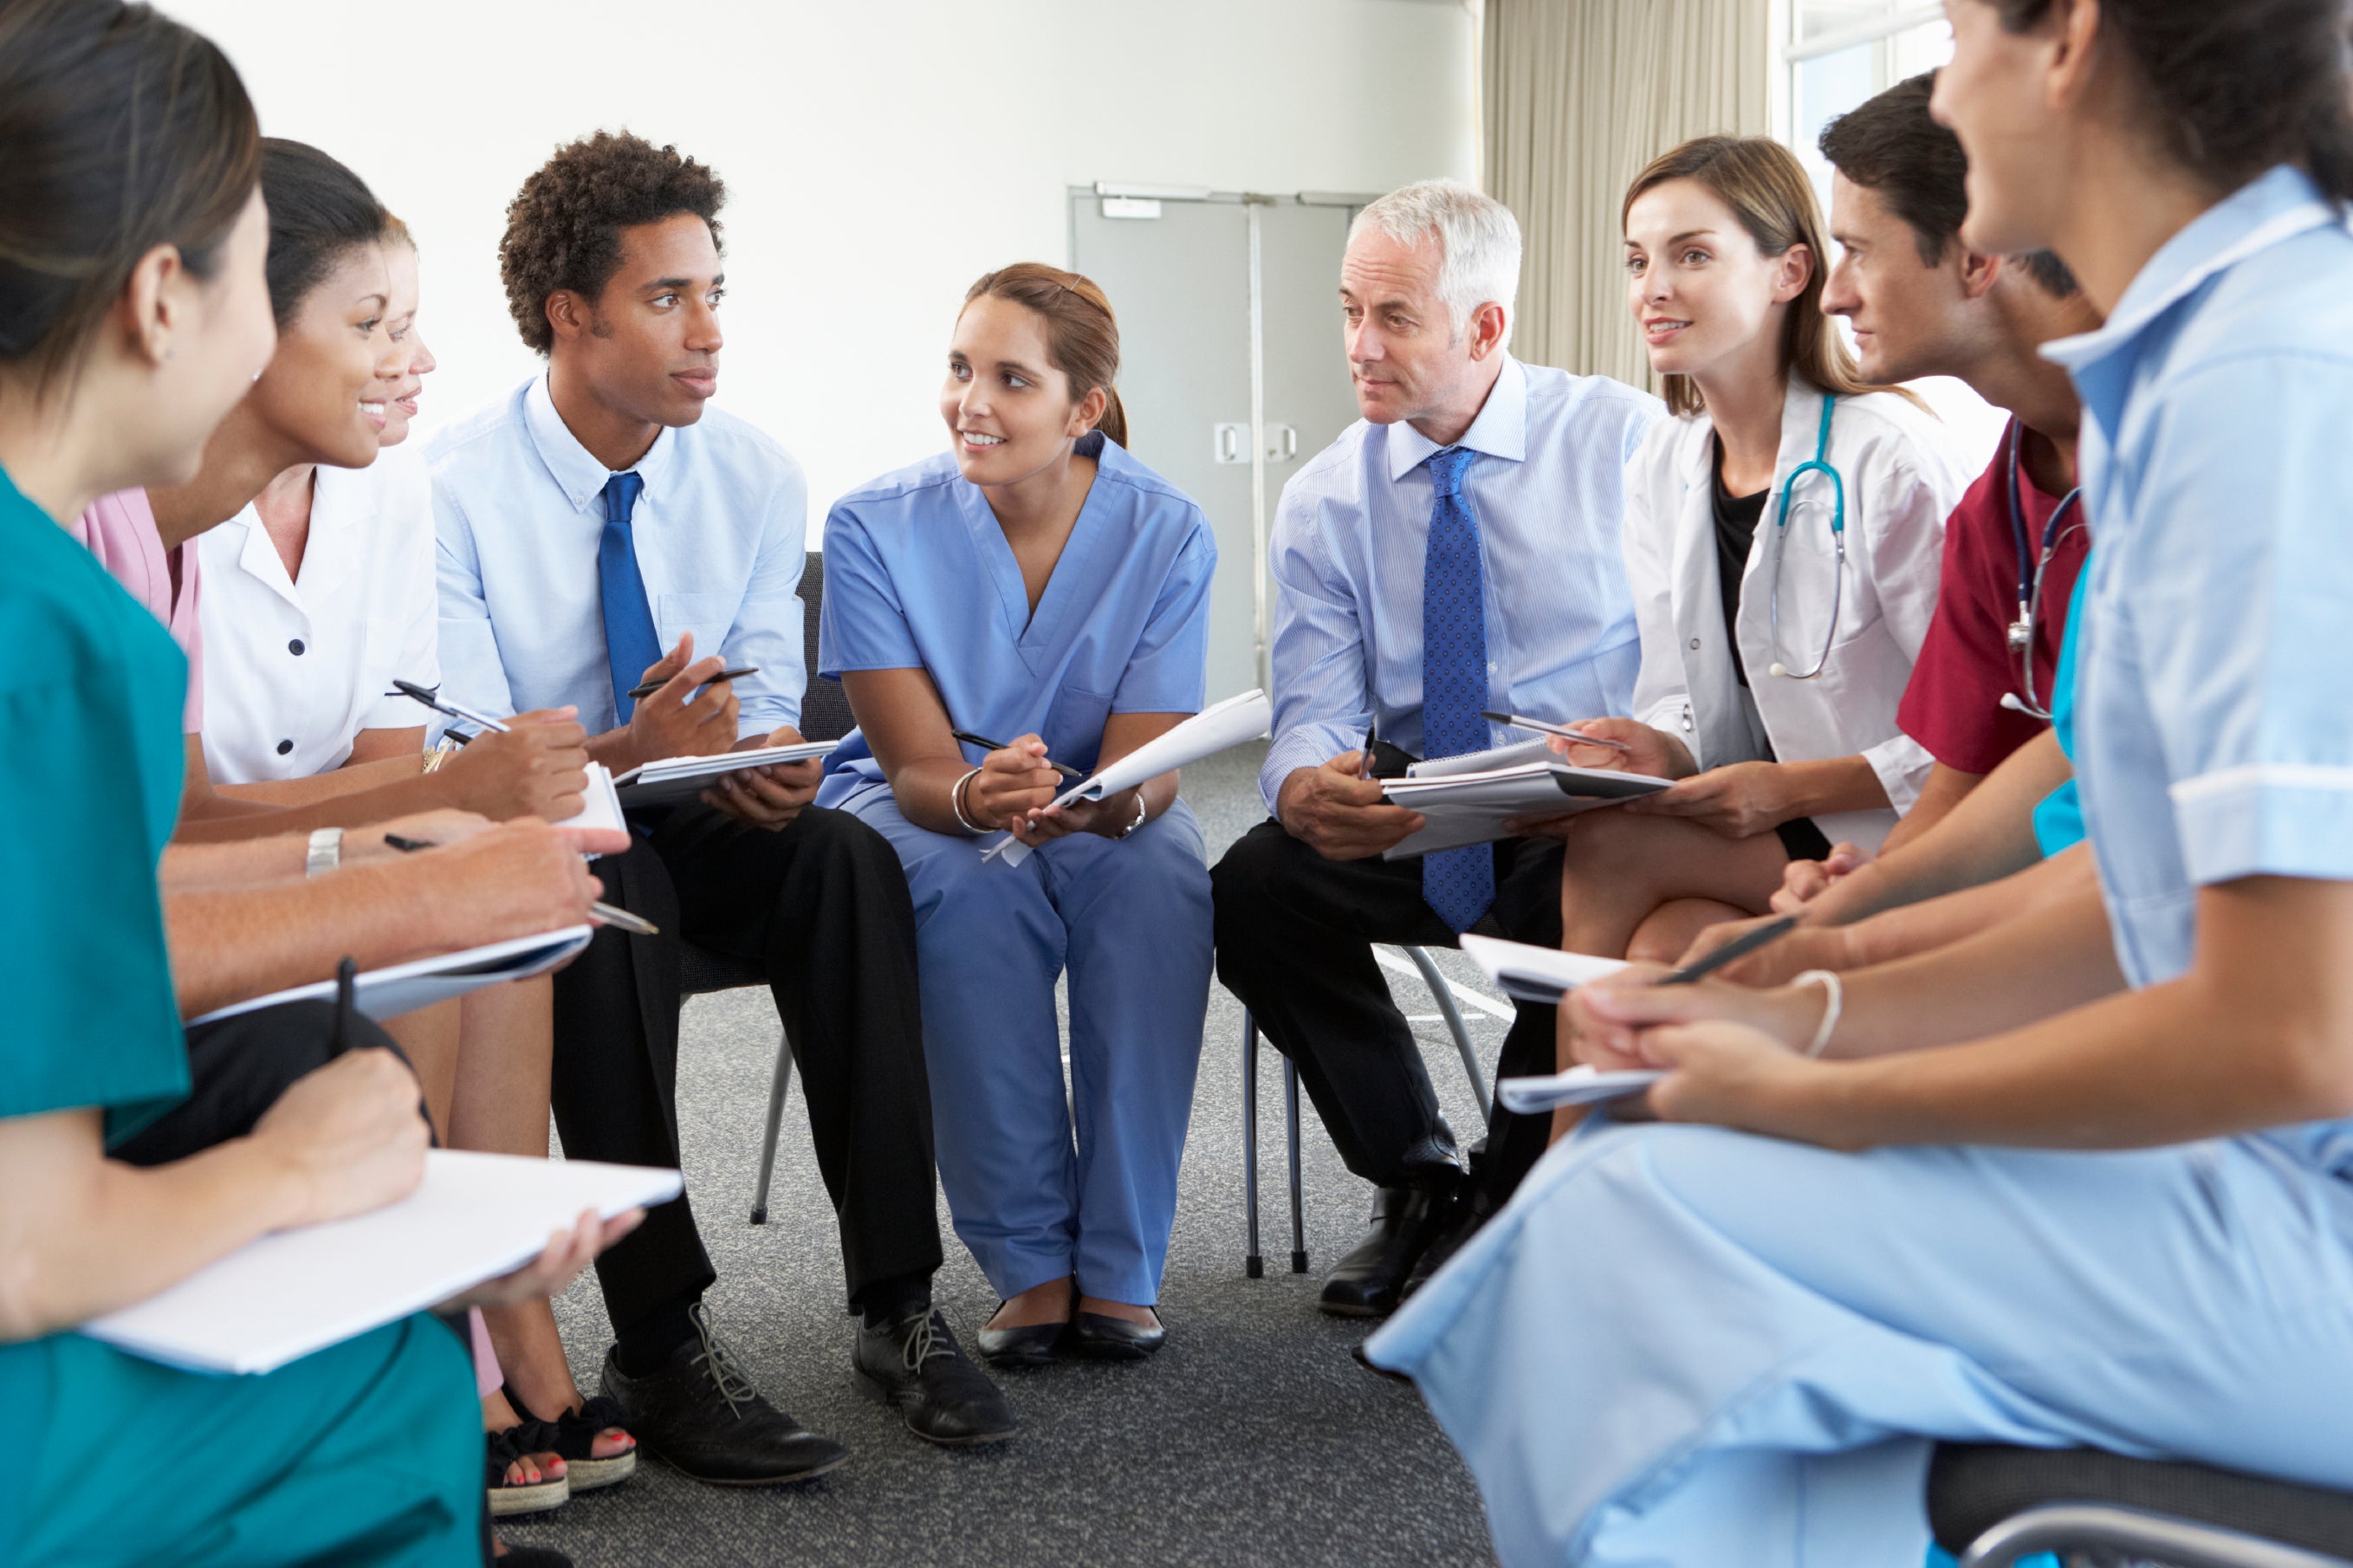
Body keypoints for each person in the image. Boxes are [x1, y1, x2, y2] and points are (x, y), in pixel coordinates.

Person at [1366, 3, 2353, 1564]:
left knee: (1645, 1211)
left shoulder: (2268, 384)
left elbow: (2290, 1030)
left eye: (1959, 32)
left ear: (2068, 44)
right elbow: (2138, 884)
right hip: (2265, 1162)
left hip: (2304, 1208)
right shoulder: (2195, 373)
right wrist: (1798, 1000)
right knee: (1663, 1150)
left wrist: (1824, 1084)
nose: (1948, 87)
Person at [0, 7, 618, 1565]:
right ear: (162, 299)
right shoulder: (59, 633)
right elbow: (28, 1251)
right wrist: (301, 1176)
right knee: (383, 1380)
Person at [432, 129, 1014, 1471]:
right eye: (666, 298)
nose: (708, 333)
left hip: (686, 802)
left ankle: (895, 1301)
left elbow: (759, 696)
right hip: (549, 825)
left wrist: (767, 760)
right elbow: (470, 754)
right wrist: (623, 753)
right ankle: (662, 1333)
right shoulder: (451, 492)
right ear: (570, 315)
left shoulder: (750, 471)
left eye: (715, 293)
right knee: (605, 875)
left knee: (845, 859)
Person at [185, 204, 636, 1508]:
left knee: (484, 852)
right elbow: (189, 813)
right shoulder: (153, 507)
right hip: (222, 860)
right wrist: (434, 796)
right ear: (243, 334)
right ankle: (446, 1325)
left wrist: (452, 795)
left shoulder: (390, 489)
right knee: (443, 859)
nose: (419, 359)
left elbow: (390, 748)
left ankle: (512, 1300)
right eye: (375, 325)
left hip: (311, 824)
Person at [1210, 180, 1664, 1319]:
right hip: (1427, 800)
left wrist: (1645, 749)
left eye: (1395, 317)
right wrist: (1307, 780)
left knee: (1590, 896)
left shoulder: (1622, 445)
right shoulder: (1324, 499)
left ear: (1484, 328)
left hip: (1585, 802)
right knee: (1254, 887)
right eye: (1350, 310)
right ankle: (1414, 1175)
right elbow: (1314, 697)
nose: (1360, 345)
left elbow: (1694, 658)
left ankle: (1506, 1208)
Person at [819, 263, 1215, 1364]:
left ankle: (1122, 1262)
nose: (970, 403)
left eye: (1009, 379)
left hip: (1105, 805)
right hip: (932, 799)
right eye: (957, 369)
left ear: (1082, 408)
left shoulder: (1168, 531)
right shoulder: (871, 526)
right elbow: (911, 769)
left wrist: (1103, 806)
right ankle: (1032, 1260)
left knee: (1162, 883)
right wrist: (970, 798)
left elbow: (1157, 764)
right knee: (962, 889)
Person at [1528, 135, 1969, 966]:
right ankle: (1587, 1084)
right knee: (1665, 949)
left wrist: (1791, 788)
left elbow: (1978, 732)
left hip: (1904, 833)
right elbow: (1679, 693)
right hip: (1771, 822)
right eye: (1636, 261)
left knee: (1614, 851)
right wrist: (1658, 748)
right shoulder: (1665, 461)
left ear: (1789, 272)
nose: (1652, 289)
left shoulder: (1890, 460)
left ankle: (1570, 1085)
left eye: (1690, 255)